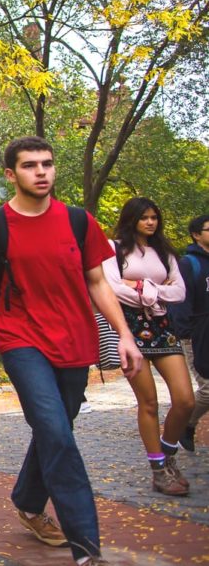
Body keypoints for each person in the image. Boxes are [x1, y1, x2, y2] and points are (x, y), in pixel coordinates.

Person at [0, 136, 141, 566]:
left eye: (47, 164)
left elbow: (98, 282)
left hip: (75, 341)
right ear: (10, 174)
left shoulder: (79, 221)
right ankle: (87, 550)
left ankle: (26, 498)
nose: (41, 172)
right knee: (56, 433)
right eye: (29, 166)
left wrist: (124, 334)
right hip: (21, 340)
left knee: (57, 428)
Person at [103, 197, 194, 495]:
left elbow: (179, 291)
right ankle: (158, 469)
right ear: (132, 220)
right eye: (144, 218)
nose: (151, 222)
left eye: (154, 217)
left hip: (162, 329)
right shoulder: (113, 249)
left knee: (185, 400)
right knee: (149, 403)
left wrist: (141, 288)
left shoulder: (165, 252)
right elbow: (112, 288)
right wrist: (155, 292)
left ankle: (169, 453)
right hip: (127, 329)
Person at [172, 214, 209, 452]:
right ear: (196, 234)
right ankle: (184, 422)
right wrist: (186, 333)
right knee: (207, 389)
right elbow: (179, 300)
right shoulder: (188, 264)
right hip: (198, 334)